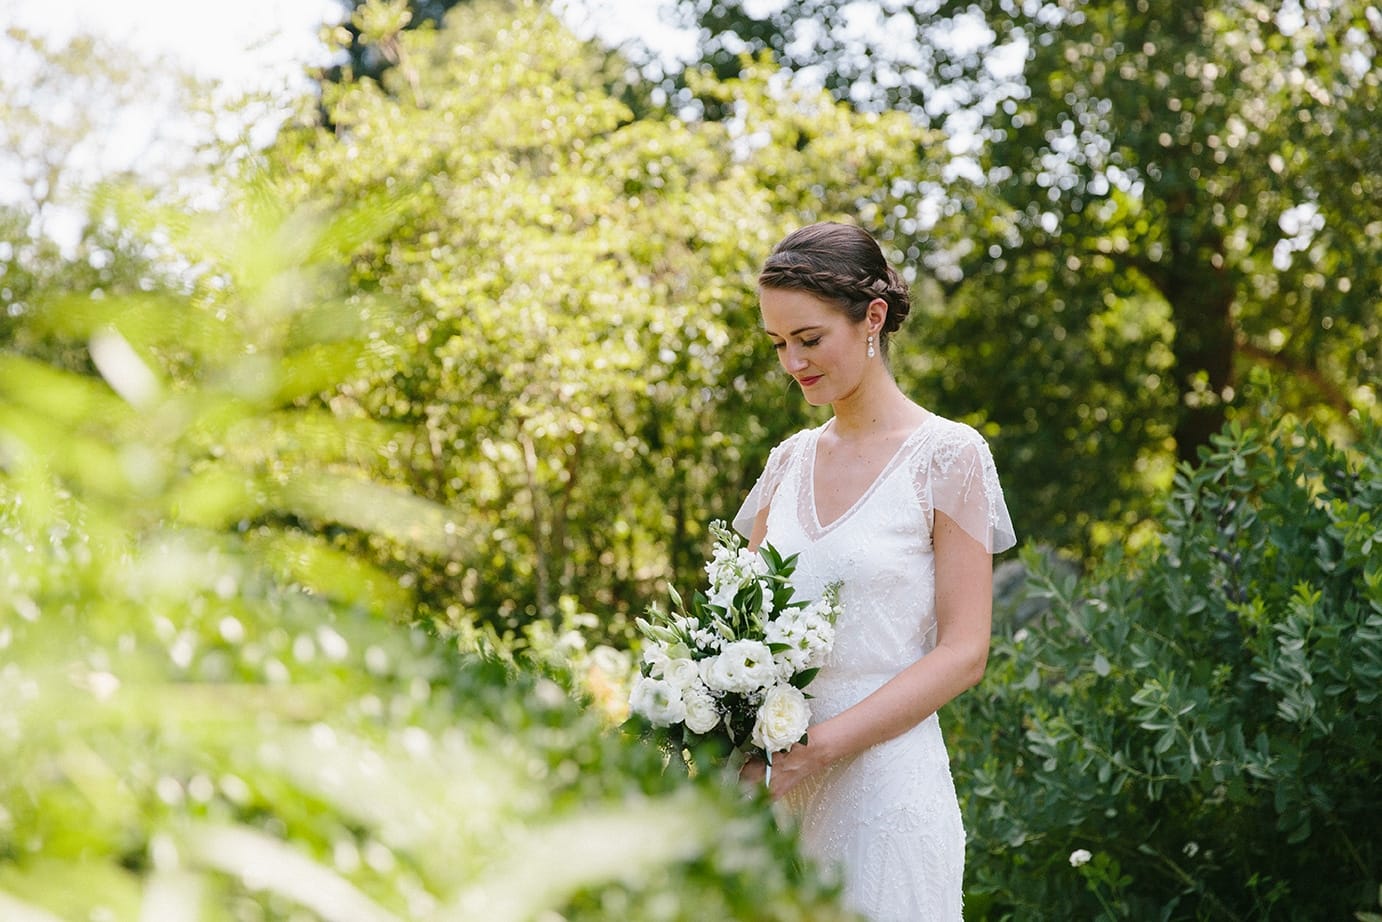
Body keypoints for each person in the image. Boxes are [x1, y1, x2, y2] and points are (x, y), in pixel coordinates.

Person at [734, 221, 1016, 921]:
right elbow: (731, 626)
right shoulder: (787, 463)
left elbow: (964, 651)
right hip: (772, 793)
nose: (792, 363)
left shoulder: (949, 456)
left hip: (884, 788)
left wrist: (816, 749)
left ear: (873, 318)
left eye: (808, 339)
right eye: (778, 345)